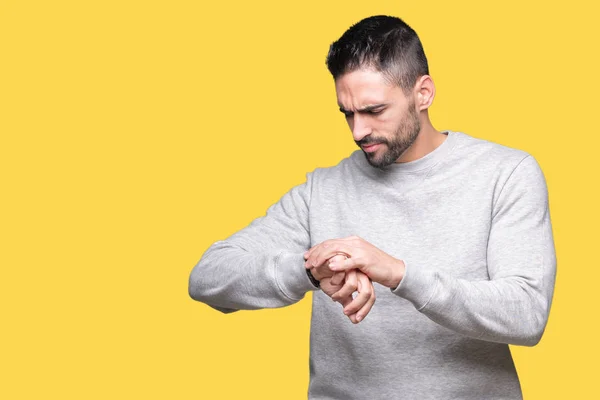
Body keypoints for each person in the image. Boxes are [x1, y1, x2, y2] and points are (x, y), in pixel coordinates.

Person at [188, 15, 557, 399]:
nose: (357, 131)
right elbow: (208, 278)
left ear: (423, 93)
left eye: (374, 110)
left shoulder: (506, 174)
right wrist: (311, 270)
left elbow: (526, 314)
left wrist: (399, 274)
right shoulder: (323, 189)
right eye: (347, 113)